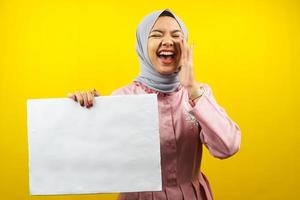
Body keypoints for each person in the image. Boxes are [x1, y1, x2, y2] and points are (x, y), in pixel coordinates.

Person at [68, 9, 241, 200]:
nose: (168, 41)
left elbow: (228, 147)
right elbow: (98, 159)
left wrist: (191, 87)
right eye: (156, 35)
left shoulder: (199, 94)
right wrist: (86, 112)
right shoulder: (122, 98)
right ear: (142, 44)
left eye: (176, 35)